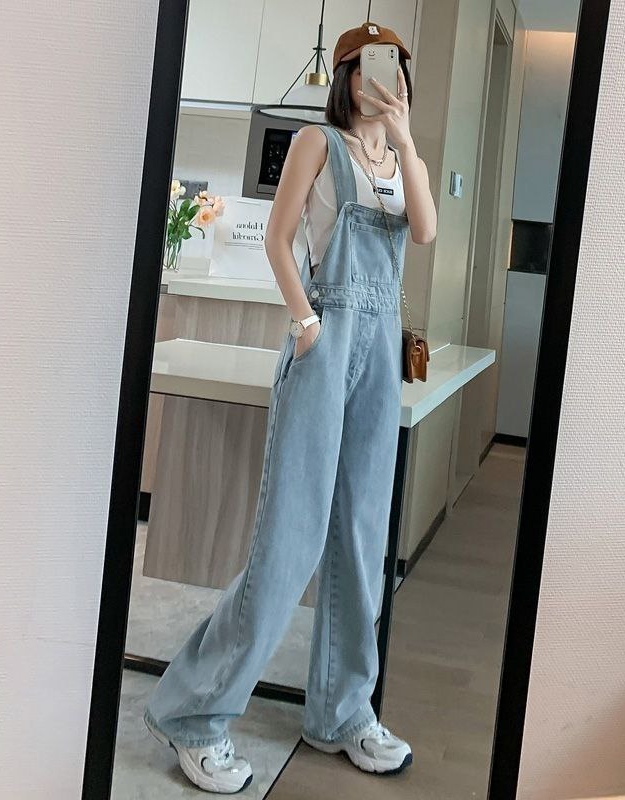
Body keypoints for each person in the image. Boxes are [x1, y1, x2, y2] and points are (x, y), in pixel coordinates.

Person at [143, 21, 437, 794]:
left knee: (362, 537)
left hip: (379, 351)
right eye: (369, 67)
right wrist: (306, 325)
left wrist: (407, 141)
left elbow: (426, 230)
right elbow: (279, 239)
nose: (384, 79)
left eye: (395, 67)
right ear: (345, 78)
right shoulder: (317, 143)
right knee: (292, 540)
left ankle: (342, 712)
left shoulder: (399, 159)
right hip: (326, 338)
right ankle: (194, 714)